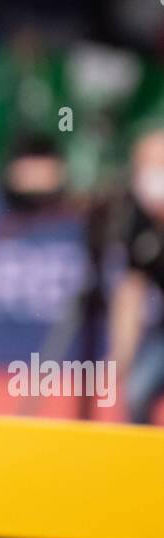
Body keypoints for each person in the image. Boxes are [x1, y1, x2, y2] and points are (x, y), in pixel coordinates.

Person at [109, 128, 164, 424]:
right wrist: (122, 355)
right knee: (137, 390)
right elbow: (131, 290)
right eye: (148, 167)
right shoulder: (138, 220)